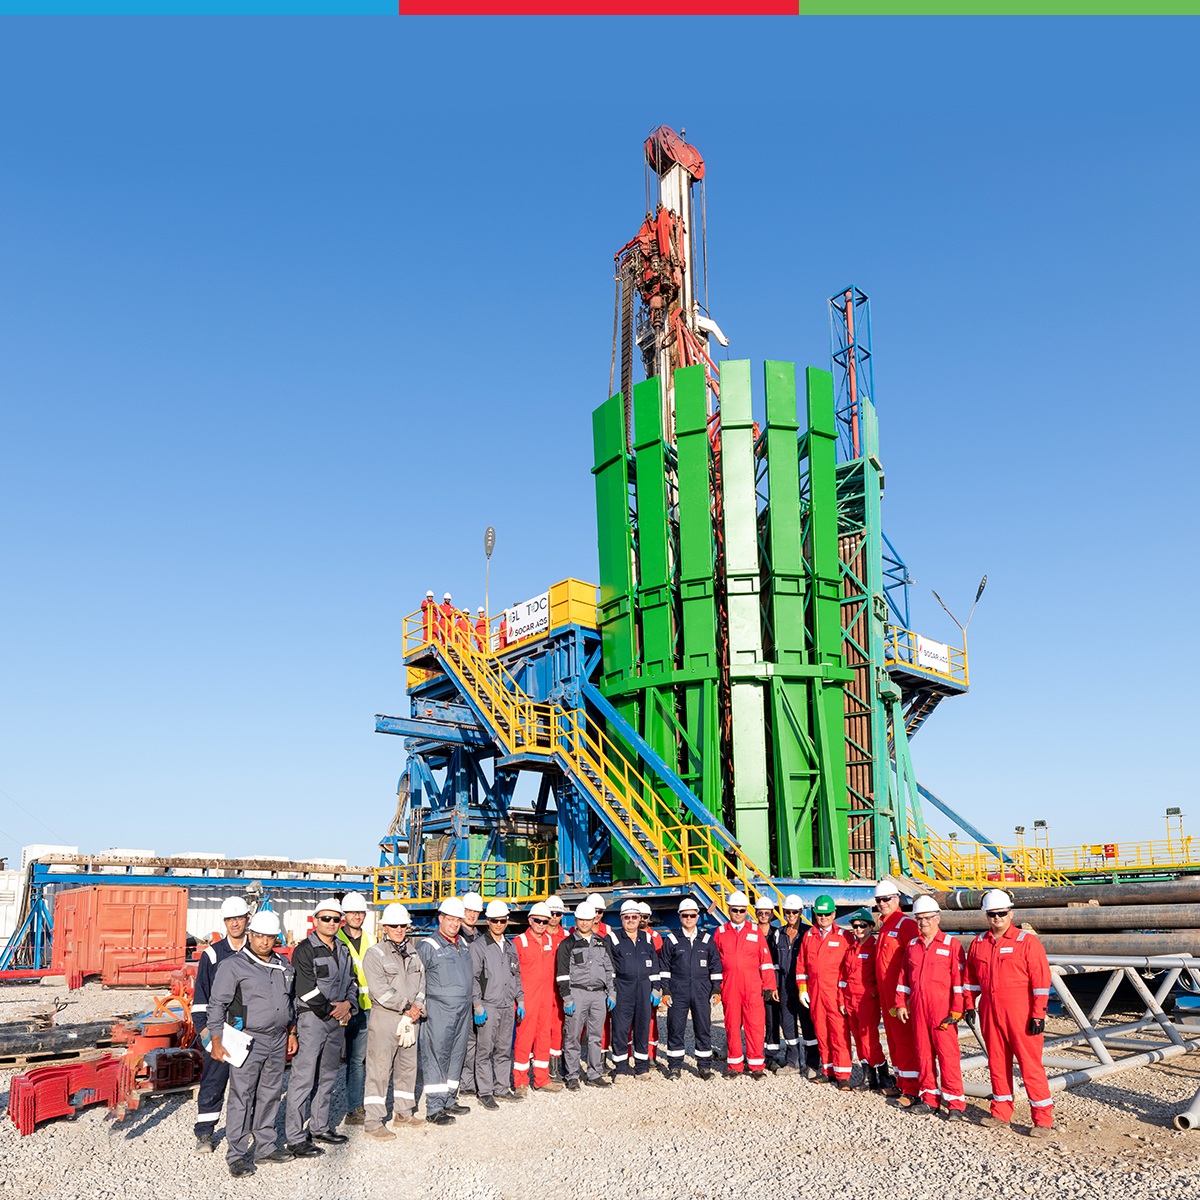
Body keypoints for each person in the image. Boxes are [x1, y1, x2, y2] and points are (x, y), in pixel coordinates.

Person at [207, 910, 297, 1177]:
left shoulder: (283, 964)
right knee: (242, 1096)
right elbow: (217, 1004)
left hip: (278, 1039)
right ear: (250, 935)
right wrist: (216, 1040)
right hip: (248, 1039)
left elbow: (290, 1001)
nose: (264, 941)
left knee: (270, 1093)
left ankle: (266, 1147)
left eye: (270, 937)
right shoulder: (233, 965)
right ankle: (236, 1154)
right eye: (259, 936)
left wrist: (292, 1032)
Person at [965, 889, 1054, 1137]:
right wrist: (969, 1004)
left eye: (1002, 913)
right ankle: (1000, 1113)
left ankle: (1042, 1120)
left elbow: (1041, 981)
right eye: (992, 914)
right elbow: (970, 979)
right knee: (996, 1063)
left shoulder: (1027, 942)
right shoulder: (978, 943)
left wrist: (1038, 1014)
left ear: (1010, 914)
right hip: (990, 1013)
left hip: (1021, 1014)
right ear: (986, 915)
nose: (997, 918)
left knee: (1030, 1065)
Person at [285, 899, 357, 1156]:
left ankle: (319, 1127)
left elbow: (352, 981)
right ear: (316, 920)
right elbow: (305, 989)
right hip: (312, 1020)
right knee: (303, 1078)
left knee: (327, 1076)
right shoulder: (305, 950)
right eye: (326, 918)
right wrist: (334, 1009)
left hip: (337, 1020)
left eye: (336, 919)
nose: (331, 923)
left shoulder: (343, 949)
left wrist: (349, 1004)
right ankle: (295, 1138)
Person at [895, 895, 968, 1120]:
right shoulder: (912, 946)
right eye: (919, 918)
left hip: (942, 1011)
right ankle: (929, 1099)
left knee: (948, 1056)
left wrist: (958, 1008)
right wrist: (900, 1003)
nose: (923, 922)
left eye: (927, 917)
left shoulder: (951, 944)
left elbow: (959, 981)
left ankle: (955, 1104)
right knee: (923, 1055)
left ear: (938, 918)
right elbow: (904, 977)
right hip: (918, 1009)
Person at [360, 903, 426, 1140]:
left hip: (411, 1018)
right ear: (385, 927)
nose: (399, 929)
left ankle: (403, 1113)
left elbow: (422, 983)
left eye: (402, 925)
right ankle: (373, 1122)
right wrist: (407, 1007)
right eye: (394, 925)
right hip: (385, 1018)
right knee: (379, 1070)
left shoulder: (413, 953)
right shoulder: (375, 954)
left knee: (407, 1068)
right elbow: (380, 990)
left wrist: (417, 1007)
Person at [192, 896, 250, 1153]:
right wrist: (204, 1031)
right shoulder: (212, 954)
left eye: (239, 918)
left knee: (248, 1084)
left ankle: (247, 1128)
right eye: (230, 919)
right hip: (220, 1030)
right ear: (224, 922)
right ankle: (205, 1132)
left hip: (249, 1030)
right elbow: (200, 996)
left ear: (247, 919)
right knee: (214, 1081)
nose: (235, 923)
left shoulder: (255, 951)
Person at [416, 896, 475, 1125]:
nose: (454, 924)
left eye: (458, 920)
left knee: (456, 1054)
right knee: (436, 1056)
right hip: (439, 1011)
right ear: (440, 918)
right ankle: (434, 1108)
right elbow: (416, 980)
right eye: (450, 919)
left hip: (462, 1009)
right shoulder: (428, 946)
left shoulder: (462, 944)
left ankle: (450, 1099)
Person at [712, 891, 775, 1078]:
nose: (738, 913)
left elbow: (766, 960)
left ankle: (756, 1066)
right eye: (735, 910)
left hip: (753, 986)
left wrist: (769, 985)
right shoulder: (720, 932)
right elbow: (714, 962)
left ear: (746, 911)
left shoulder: (755, 931)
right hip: (729, 986)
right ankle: (735, 1066)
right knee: (732, 1025)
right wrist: (715, 986)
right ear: (729, 910)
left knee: (755, 1025)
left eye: (741, 910)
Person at [470, 900, 525, 1110]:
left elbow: (516, 976)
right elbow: (473, 978)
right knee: (484, 1051)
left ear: (507, 921)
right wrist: (477, 1005)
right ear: (488, 921)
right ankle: (485, 1092)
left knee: (503, 1049)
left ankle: (501, 1088)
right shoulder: (478, 946)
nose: (499, 924)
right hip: (488, 1006)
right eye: (495, 921)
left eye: (502, 921)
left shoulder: (510, 946)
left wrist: (520, 1000)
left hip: (507, 1006)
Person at [659, 898, 721, 1080]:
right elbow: (664, 967)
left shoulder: (707, 940)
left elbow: (715, 966)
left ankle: (704, 1067)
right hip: (678, 989)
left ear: (697, 917)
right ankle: (675, 1066)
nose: (688, 918)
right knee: (675, 1027)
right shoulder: (671, 940)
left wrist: (716, 989)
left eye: (692, 915)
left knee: (703, 1028)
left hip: (702, 989)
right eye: (685, 915)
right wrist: (666, 989)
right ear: (679, 916)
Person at [555, 901, 614, 1090]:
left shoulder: (601, 943)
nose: (584, 923)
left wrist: (612, 993)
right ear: (576, 920)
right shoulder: (567, 944)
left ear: (593, 920)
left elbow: (610, 970)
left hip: (598, 995)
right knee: (572, 1036)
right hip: (577, 993)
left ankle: (594, 1074)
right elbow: (562, 974)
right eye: (581, 919)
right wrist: (567, 998)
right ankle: (572, 1075)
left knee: (595, 1036)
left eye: (588, 919)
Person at [797, 894, 853, 1088]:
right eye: (820, 914)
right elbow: (801, 966)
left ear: (834, 914)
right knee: (822, 1032)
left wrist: (846, 995)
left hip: (835, 994)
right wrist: (803, 989)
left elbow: (850, 967)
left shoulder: (844, 936)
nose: (823, 918)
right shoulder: (809, 936)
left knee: (839, 1033)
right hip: (816, 994)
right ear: (815, 914)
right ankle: (828, 1070)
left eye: (827, 914)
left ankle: (843, 1074)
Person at [873, 879, 920, 1102]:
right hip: (886, 995)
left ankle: (912, 1089)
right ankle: (901, 1082)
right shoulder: (885, 926)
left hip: (900, 995)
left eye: (886, 899)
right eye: (878, 901)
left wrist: (905, 997)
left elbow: (913, 961)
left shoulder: (905, 924)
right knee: (893, 1040)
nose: (882, 904)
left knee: (905, 1041)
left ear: (897, 899)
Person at [512, 902, 563, 1094]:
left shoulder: (550, 940)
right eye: (537, 920)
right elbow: (513, 974)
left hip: (546, 998)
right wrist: (518, 1000)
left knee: (544, 1037)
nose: (541, 924)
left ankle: (541, 1079)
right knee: (524, 1038)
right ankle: (520, 1082)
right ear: (530, 920)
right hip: (528, 999)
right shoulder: (519, 942)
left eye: (545, 921)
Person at [607, 900, 661, 1081]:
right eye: (627, 917)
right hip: (622, 989)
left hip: (644, 989)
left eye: (634, 917)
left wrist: (656, 988)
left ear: (639, 919)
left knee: (642, 1028)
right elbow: (608, 967)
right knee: (621, 1030)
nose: (631, 920)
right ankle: (621, 1069)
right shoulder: (612, 939)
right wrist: (611, 991)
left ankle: (642, 1068)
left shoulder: (648, 939)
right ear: (621, 918)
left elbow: (655, 966)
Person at [838, 908, 887, 1091]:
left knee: (869, 1040)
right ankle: (869, 1079)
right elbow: (844, 977)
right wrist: (842, 1000)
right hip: (850, 1000)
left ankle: (884, 1077)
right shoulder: (851, 949)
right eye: (855, 926)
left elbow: (882, 975)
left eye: (863, 926)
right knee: (858, 1040)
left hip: (867, 1001)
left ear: (871, 927)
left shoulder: (875, 948)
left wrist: (872, 993)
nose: (858, 929)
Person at [336, 892, 374, 1126]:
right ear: (345, 915)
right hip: (341, 1010)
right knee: (327, 1063)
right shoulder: (335, 938)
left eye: (360, 912)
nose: (357, 916)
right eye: (352, 913)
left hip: (366, 1009)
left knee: (357, 1061)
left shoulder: (372, 939)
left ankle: (354, 1108)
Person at [770, 894, 816, 1074]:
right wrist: (775, 985)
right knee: (788, 1025)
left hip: (803, 985)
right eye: (787, 912)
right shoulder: (778, 934)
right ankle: (792, 1062)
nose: (790, 915)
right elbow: (774, 963)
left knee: (808, 1025)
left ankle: (812, 1063)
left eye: (794, 912)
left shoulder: (809, 933)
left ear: (801, 912)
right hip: (784, 985)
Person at [458, 892, 484, 1096]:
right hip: (460, 996)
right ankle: (465, 1083)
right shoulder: (456, 936)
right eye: (469, 910)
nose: (472, 915)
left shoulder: (480, 937)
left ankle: (472, 1080)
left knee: (475, 1041)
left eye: (476, 911)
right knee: (464, 1042)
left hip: (477, 995)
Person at [755, 898, 782, 1074]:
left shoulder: (777, 934)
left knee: (772, 1020)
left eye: (767, 913)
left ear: (772, 914)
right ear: (756, 913)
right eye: (760, 913)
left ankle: (771, 1057)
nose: (764, 916)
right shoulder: (751, 932)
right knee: (754, 1022)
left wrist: (775, 985)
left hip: (772, 983)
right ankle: (755, 1055)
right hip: (753, 982)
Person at [545, 896, 569, 1080]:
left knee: (558, 1026)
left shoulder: (567, 936)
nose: (554, 917)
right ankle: (540, 1065)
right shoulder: (538, 933)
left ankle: (554, 1067)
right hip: (542, 989)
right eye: (551, 913)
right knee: (540, 1028)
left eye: (558, 914)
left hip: (560, 990)